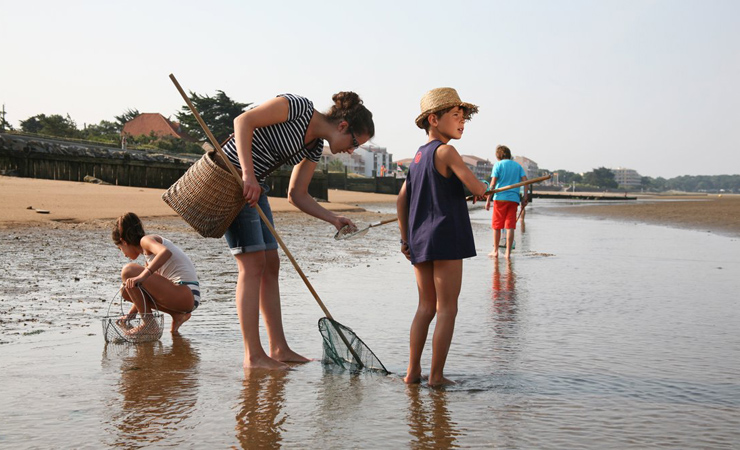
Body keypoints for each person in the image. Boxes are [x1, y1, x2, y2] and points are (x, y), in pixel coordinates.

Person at [222, 92, 374, 370]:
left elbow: (297, 194)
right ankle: (253, 356)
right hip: (232, 179)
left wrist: (333, 218)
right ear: (343, 126)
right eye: (354, 143)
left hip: (256, 186)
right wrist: (248, 174)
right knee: (253, 264)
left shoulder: (314, 146)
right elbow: (243, 121)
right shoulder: (297, 107)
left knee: (271, 263)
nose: (351, 150)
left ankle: (278, 348)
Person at [397, 87, 488, 386]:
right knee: (447, 307)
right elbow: (477, 189)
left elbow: (402, 200)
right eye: (455, 116)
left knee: (425, 306)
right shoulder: (447, 151)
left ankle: (413, 372)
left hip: (420, 239)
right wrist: (481, 187)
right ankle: (436, 377)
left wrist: (405, 239)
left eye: (463, 117)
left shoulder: (418, 157)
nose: (462, 122)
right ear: (434, 119)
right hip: (447, 236)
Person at [112, 212, 200, 335]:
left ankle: (150, 325)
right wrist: (131, 314)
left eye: (120, 248)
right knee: (126, 290)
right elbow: (141, 293)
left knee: (128, 271)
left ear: (124, 242)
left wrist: (142, 276)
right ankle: (177, 315)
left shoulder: (146, 240)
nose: (124, 254)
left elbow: (165, 252)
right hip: (184, 297)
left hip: (186, 291)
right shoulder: (148, 257)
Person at [485, 145, 527, 259]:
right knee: (510, 226)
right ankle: (508, 253)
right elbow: (525, 181)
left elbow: (493, 184)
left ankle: (495, 251)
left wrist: (488, 200)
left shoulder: (498, 165)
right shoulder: (517, 166)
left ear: (498, 155)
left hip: (500, 198)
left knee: (497, 225)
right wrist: (525, 197)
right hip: (513, 199)